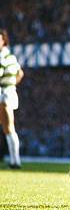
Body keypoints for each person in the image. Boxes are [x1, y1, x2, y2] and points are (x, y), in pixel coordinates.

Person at [0, 29, 24, 169]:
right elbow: (20, 73)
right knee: (8, 128)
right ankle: (15, 160)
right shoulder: (11, 57)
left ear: (4, 41)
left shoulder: (4, 57)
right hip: (8, 92)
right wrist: (12, 84)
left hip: (4, 94)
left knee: (8, 128)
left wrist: (9, 85)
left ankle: (15, 161)